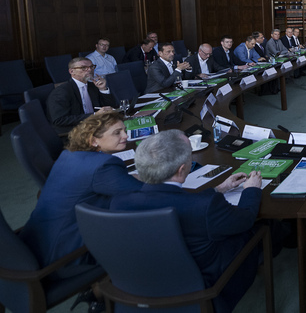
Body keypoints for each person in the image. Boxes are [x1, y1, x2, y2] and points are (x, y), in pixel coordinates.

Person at [111, 130, 268, 312]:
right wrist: (252, 190)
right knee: (263, 228)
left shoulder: (119, 202)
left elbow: (179, 202)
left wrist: (219, 188)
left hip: (138, 285)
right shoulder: (204, 207)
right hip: (203, 286)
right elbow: (245, 219)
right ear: (182, 169)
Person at [20, 111, 142, 268]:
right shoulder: (103, 166)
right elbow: (143, 194)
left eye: (124, 130)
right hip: (66, 257)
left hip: (39, 244)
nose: (126, 136)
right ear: (93, 141)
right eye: (117, 133)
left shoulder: (69, 155)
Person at [47, 57, 117, 128]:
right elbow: (59, 120)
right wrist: (94, 115)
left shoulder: (93, 86)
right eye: (84, 68)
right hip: (76, 129)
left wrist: (103, 89)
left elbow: (110, 107)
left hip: (96, 124)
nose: (90, 70)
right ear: (71, 71)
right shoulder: (61, 91)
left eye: (91, 67)